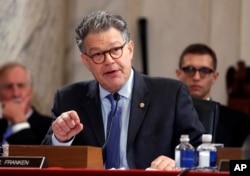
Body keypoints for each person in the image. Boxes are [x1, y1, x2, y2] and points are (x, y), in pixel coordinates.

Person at [42, 10, 205, 170]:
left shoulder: (170, 94)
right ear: (86, 61)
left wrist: (177, 163)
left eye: (115, 50)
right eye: (98, 54)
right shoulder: (68, 98)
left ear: (130, 49)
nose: (109, 61)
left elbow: (201, 150)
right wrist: (60, 139)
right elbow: (42, 160)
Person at [176, 43, 250, 147]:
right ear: (179, 74)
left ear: (214, 77)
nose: (196, 77)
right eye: (190, 69)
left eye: (204, 71)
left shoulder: (238, 121)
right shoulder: (163, 117)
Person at [0, 62, 52, 145]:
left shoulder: (50, 127)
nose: (16, 93)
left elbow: (36, 156)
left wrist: (19, 122)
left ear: (31, 90)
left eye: (21, 85)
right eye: (9, 87)